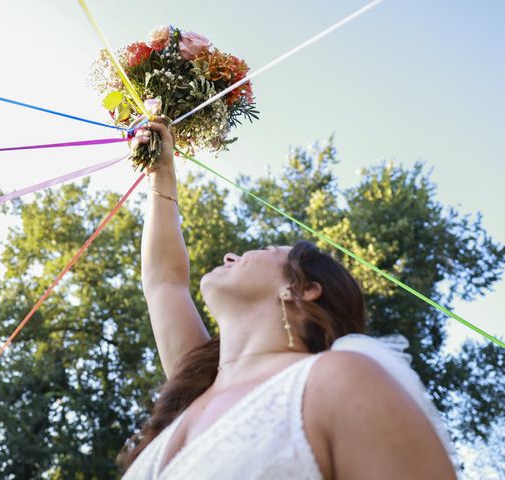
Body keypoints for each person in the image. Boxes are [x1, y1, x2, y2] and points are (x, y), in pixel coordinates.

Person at [116, 117, 458, 479]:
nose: (231, 256)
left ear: (302, 288)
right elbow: (164, 281)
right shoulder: (193, 388)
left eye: (264, 249)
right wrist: (161, 169)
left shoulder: (341, 380)